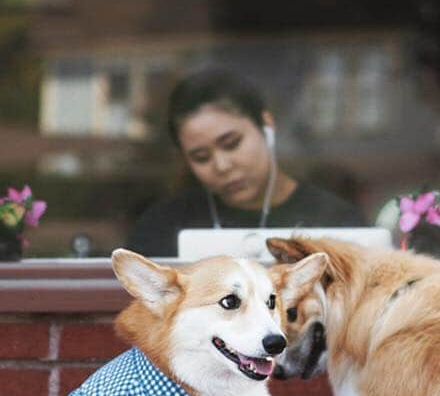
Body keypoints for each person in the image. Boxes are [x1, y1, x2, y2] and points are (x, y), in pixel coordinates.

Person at [129, 69, 367, 256]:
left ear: (267, 125)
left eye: (232, 143)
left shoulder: (336, 220)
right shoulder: (164, 227)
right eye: (201, 157)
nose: (222, 165)